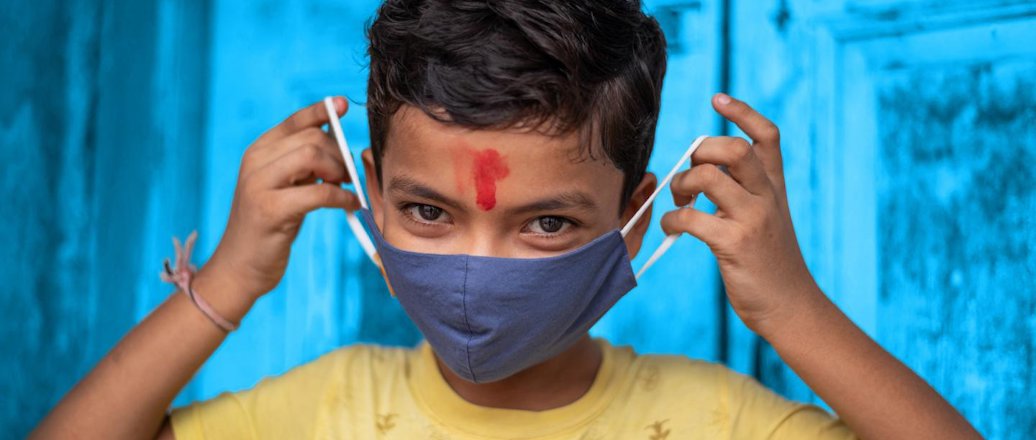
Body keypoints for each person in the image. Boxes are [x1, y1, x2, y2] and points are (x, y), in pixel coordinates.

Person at [33, 0, 980, 438]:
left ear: (640, 213)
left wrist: (790, 309)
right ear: (364, 189)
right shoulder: (323, 408)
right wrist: (231, 279)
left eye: (548, 225)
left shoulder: (717, 421)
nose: (477, 272)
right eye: (426, 210)